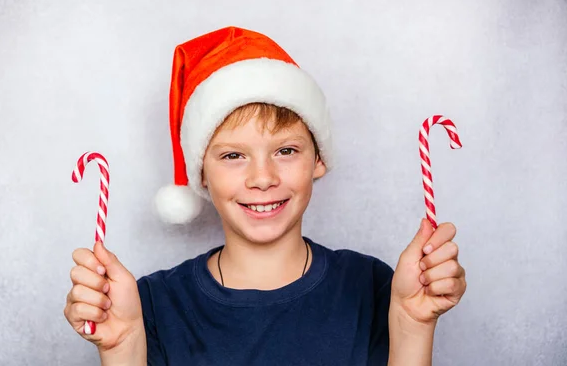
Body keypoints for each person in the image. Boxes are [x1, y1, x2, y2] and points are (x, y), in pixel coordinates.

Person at [64, 26, 467, 366]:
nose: (262, 178)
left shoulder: (373, 289)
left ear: (318, 160)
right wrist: (122, 347)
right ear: (201, 173)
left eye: (286, 151)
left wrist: (414, 326)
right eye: (234, 155)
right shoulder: (150, 305)